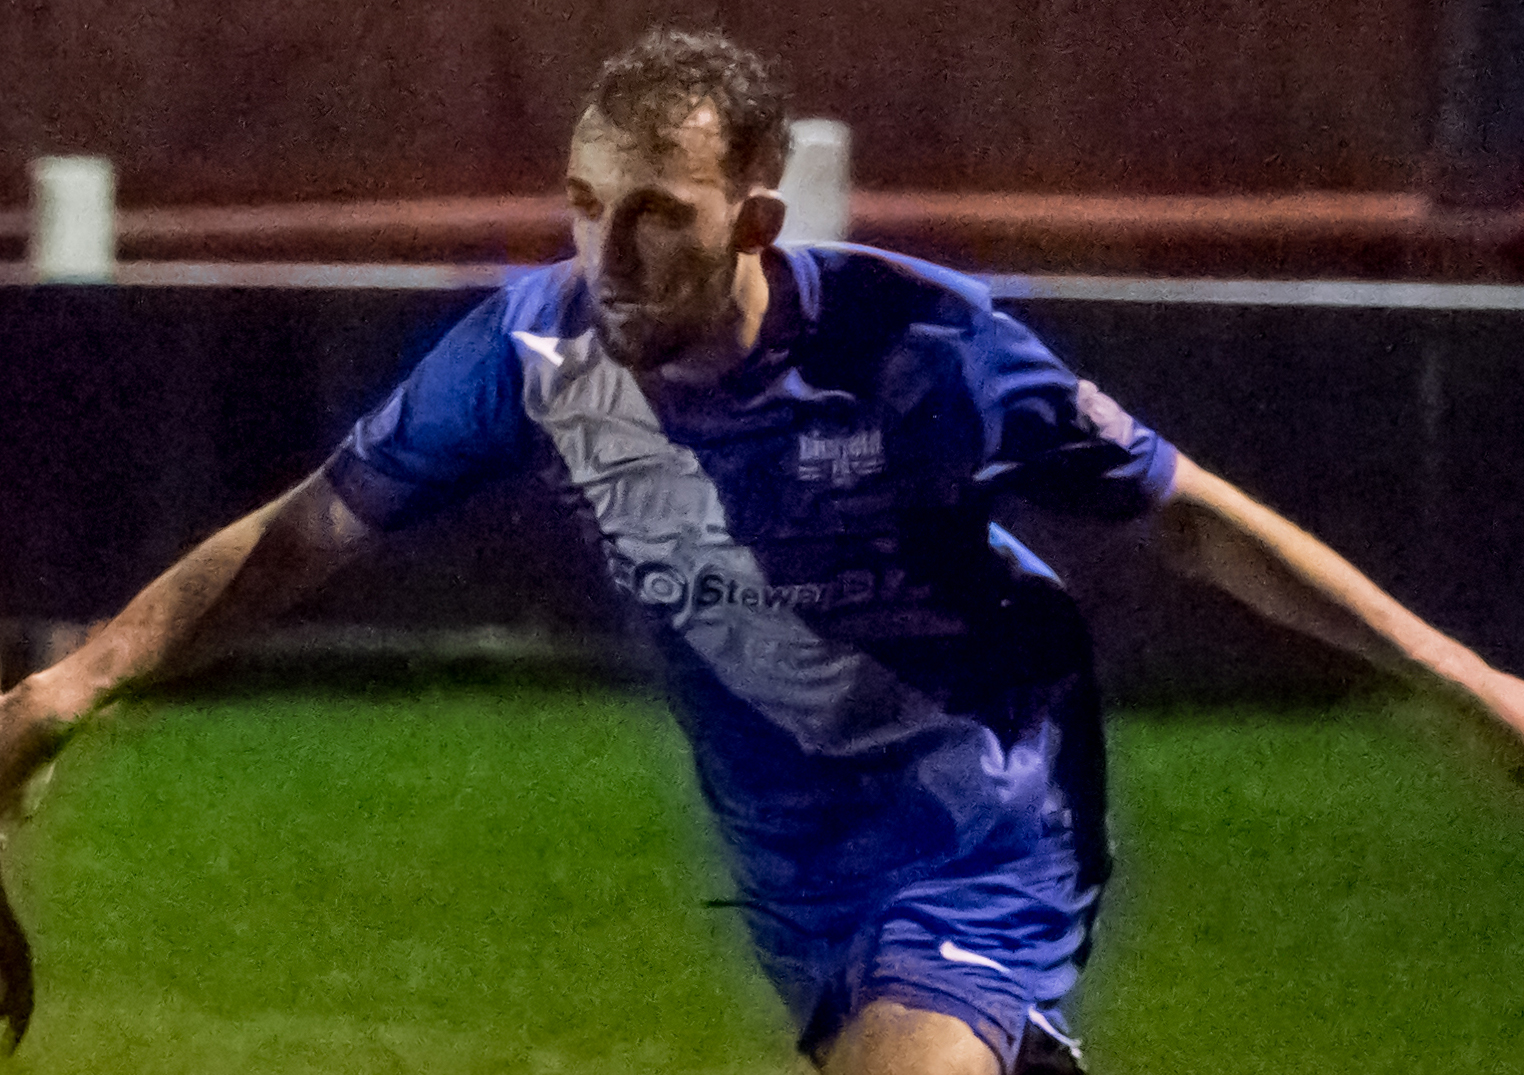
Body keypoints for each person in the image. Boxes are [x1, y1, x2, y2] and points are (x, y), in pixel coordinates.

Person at [2, 29, 1522, 1075]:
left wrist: (1465, 678)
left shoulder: (913, 342)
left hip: (980, 820)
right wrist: (82, 680)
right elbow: (298, 537)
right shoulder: (531, 351)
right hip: (795, 858)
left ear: (754, 220)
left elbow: (1185, 514)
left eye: (657, 214)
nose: (606, 255)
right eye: (586, 206)